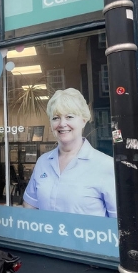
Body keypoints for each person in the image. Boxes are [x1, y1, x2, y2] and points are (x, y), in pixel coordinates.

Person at [22, 88, 116, 217]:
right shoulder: (42, 162)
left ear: (84, 120)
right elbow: (30, 207)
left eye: (69, 117)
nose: (62, 124)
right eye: (56, 118)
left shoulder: (106, 165)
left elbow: (118, 223)